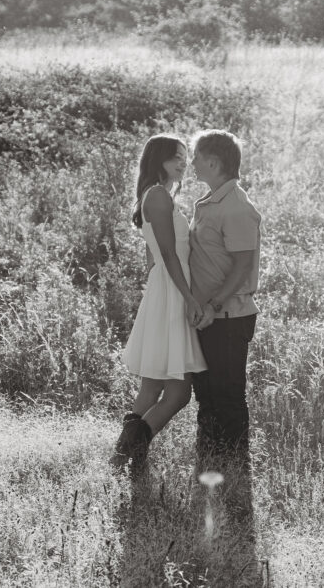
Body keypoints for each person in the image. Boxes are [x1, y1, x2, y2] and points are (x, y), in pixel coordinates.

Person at [111, 134, 207, 471]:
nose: (183, 163)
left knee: (152, 384)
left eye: (185, 157)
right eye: (176, 157)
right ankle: (131, 448)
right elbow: (167, 255)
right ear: (158, 160)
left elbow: (153, 256)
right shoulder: (158, 197)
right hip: (173, 290)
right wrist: (188, 297)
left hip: (165, 288)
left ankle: (124, 455)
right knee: (178, 393)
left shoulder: (160, 196)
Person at [188, 130, 262, 494]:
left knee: (228, 393)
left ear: (213, 162)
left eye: (196, 157)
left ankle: (234, 467)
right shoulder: (211, 201)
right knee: (206, 391)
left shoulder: (235, 206)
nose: (192, 163)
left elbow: (242, 266)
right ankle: (209, 459)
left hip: (229, 315)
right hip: (209, 315)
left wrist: (214, 306)